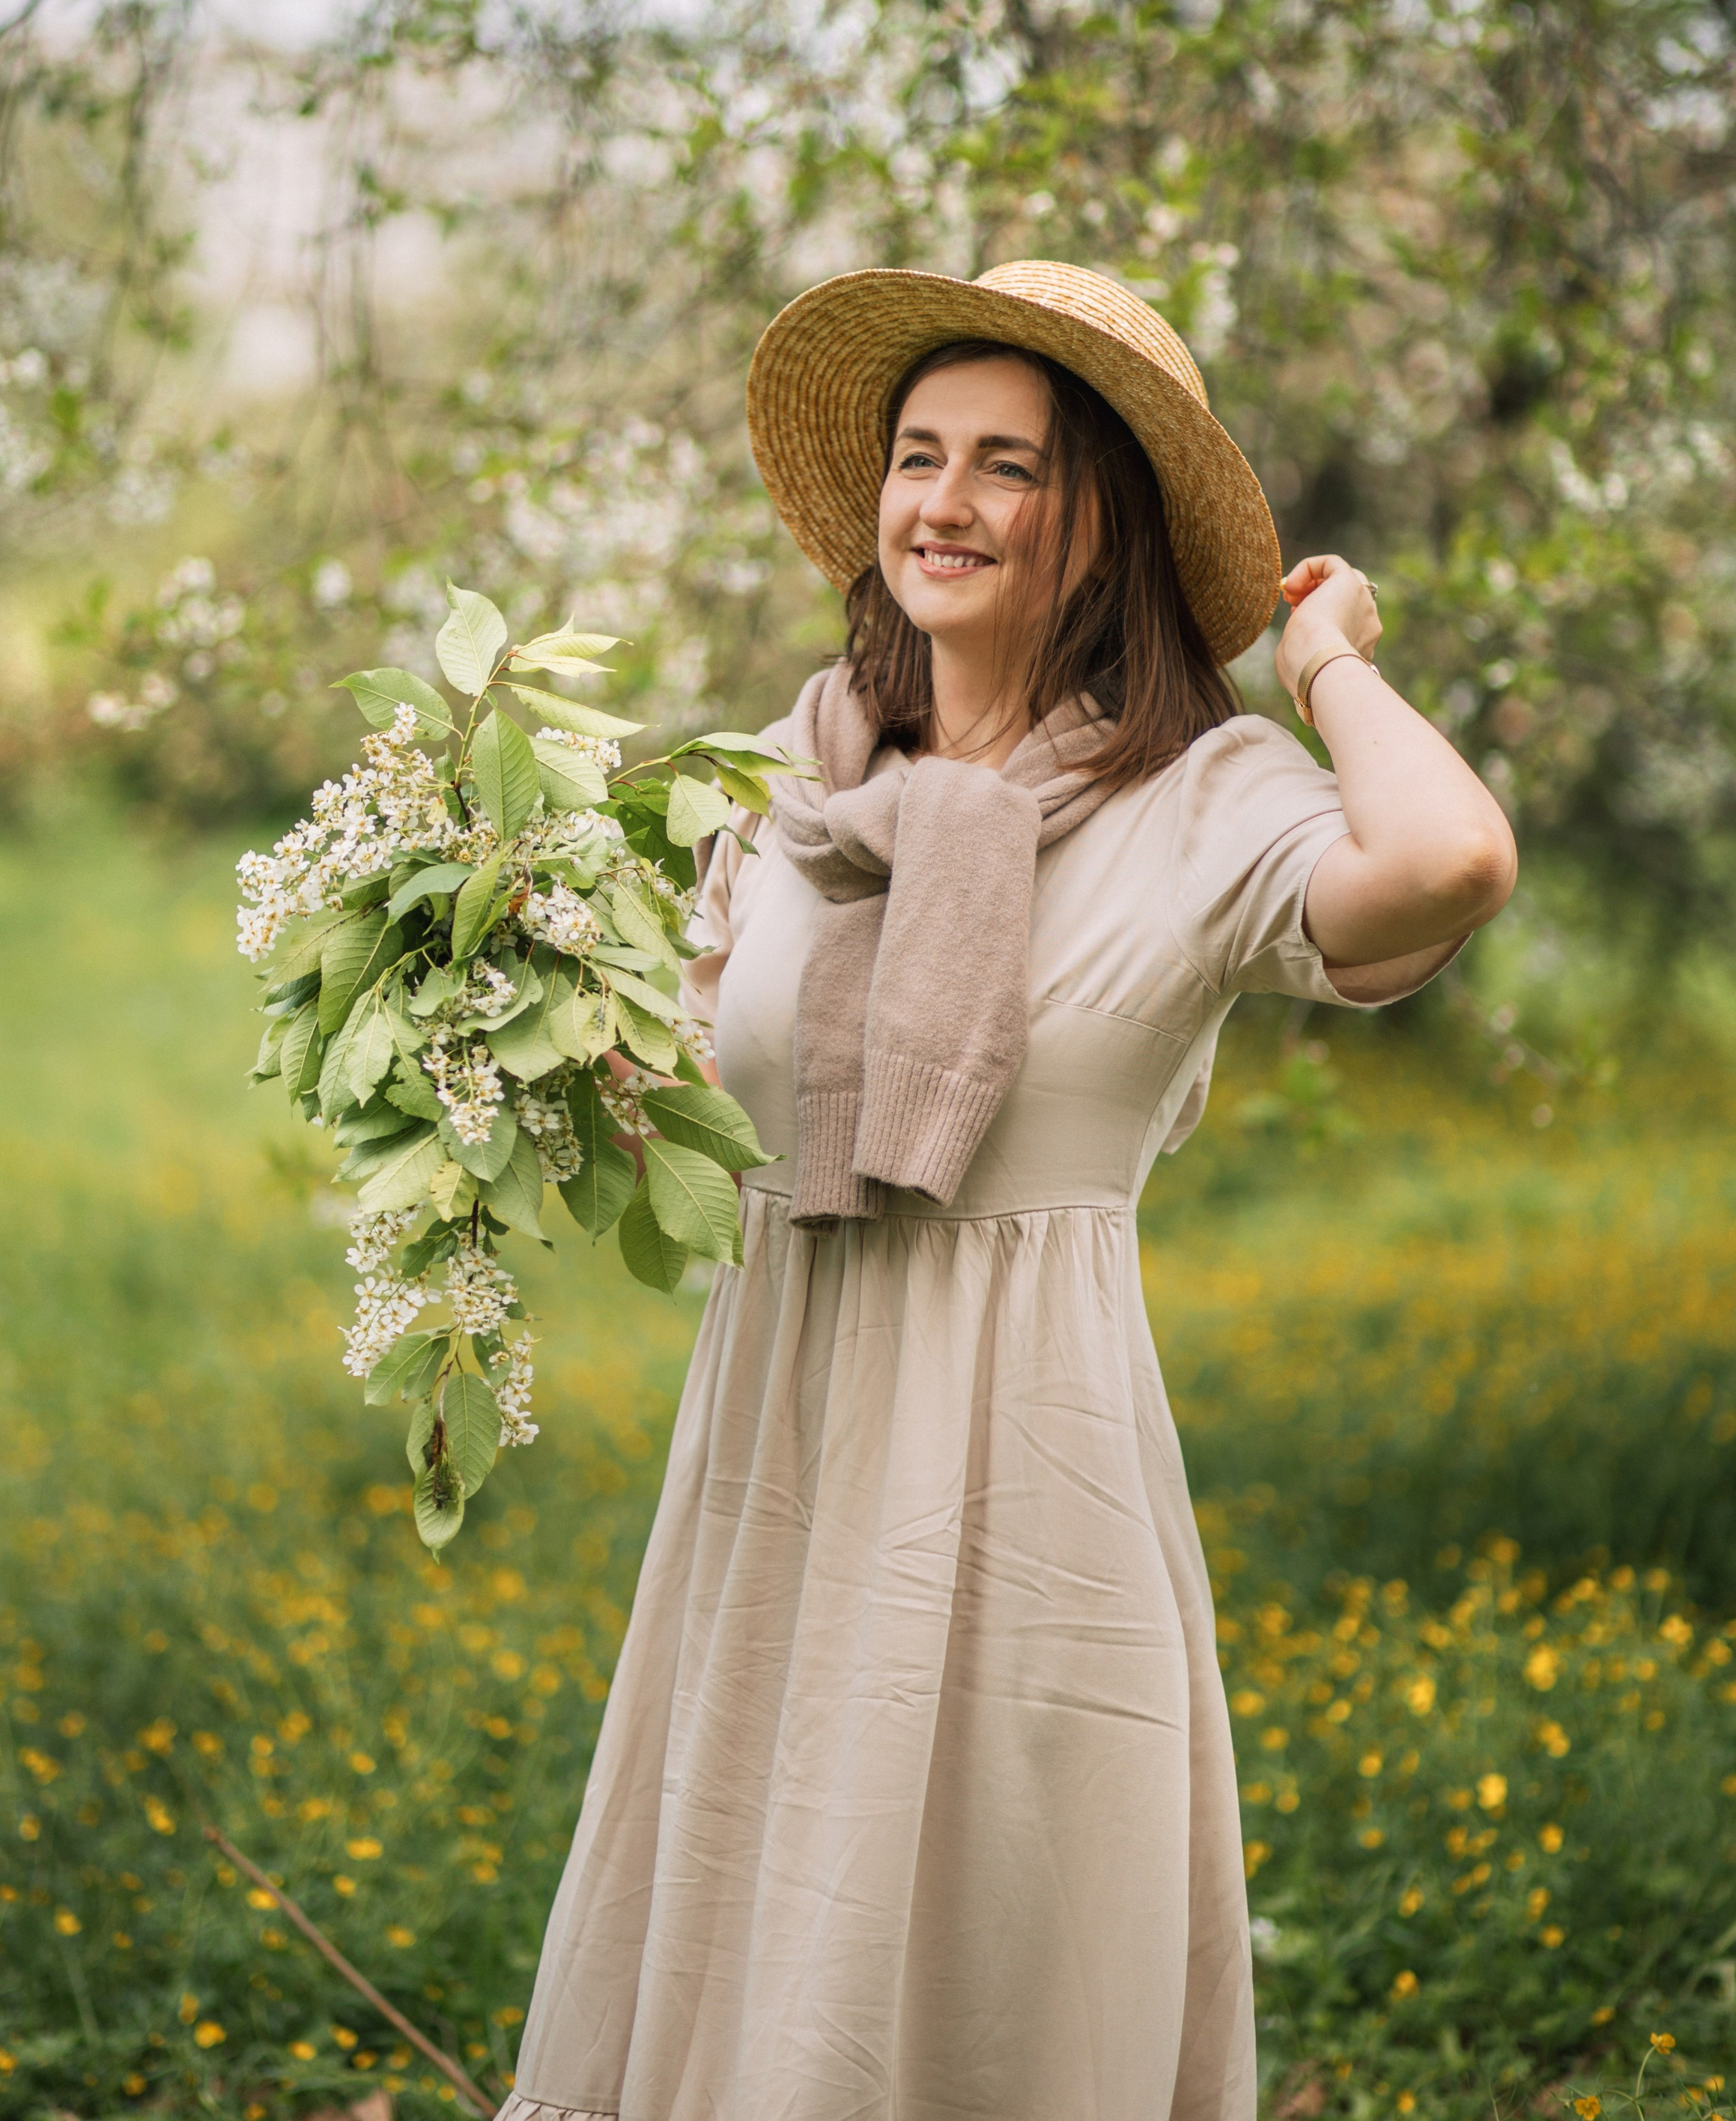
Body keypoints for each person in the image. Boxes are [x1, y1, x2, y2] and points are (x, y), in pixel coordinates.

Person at [497, 261, 1516, 2121]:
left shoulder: (1206, 799)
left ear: (1099, 519)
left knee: (996, 1954)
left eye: (1005, 468)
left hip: (1023, 1475)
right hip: (783, 1452)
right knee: (757, 1901)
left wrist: (1326, 664)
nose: (940, 505)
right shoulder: (783, 790)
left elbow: (1449, 858)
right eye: (915, 456)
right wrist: (496, 1011)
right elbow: (683, 1107)